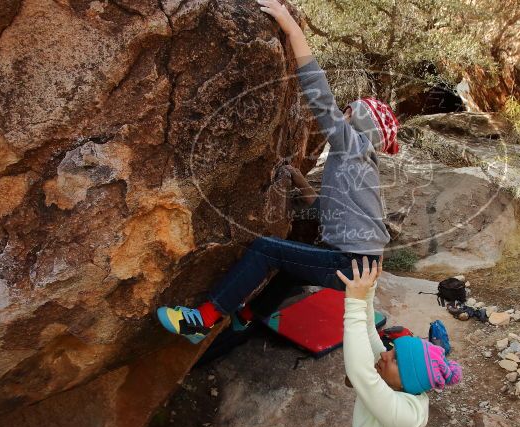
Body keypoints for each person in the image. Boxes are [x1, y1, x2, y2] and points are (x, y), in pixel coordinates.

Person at [156, 0, 399, 343]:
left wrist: (290, 26)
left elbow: (319, 94)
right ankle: (246, 316)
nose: (341, 114)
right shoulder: (358, 162)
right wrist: (298, 179)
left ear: (357, 123)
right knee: (287, 265)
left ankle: (203, 320)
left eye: (348, 112)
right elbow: (324, 207)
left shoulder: (351, 144)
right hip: (361, 265)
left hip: (352, 265)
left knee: (265, 249)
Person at [336, 256, 462, 427]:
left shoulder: (405, 414)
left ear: (406, 382)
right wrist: (367, 293)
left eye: (393, 358)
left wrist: (354, 303)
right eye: (391, 349)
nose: (384, 353)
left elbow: (359, 371)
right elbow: (369, 333)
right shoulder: (394, 382)